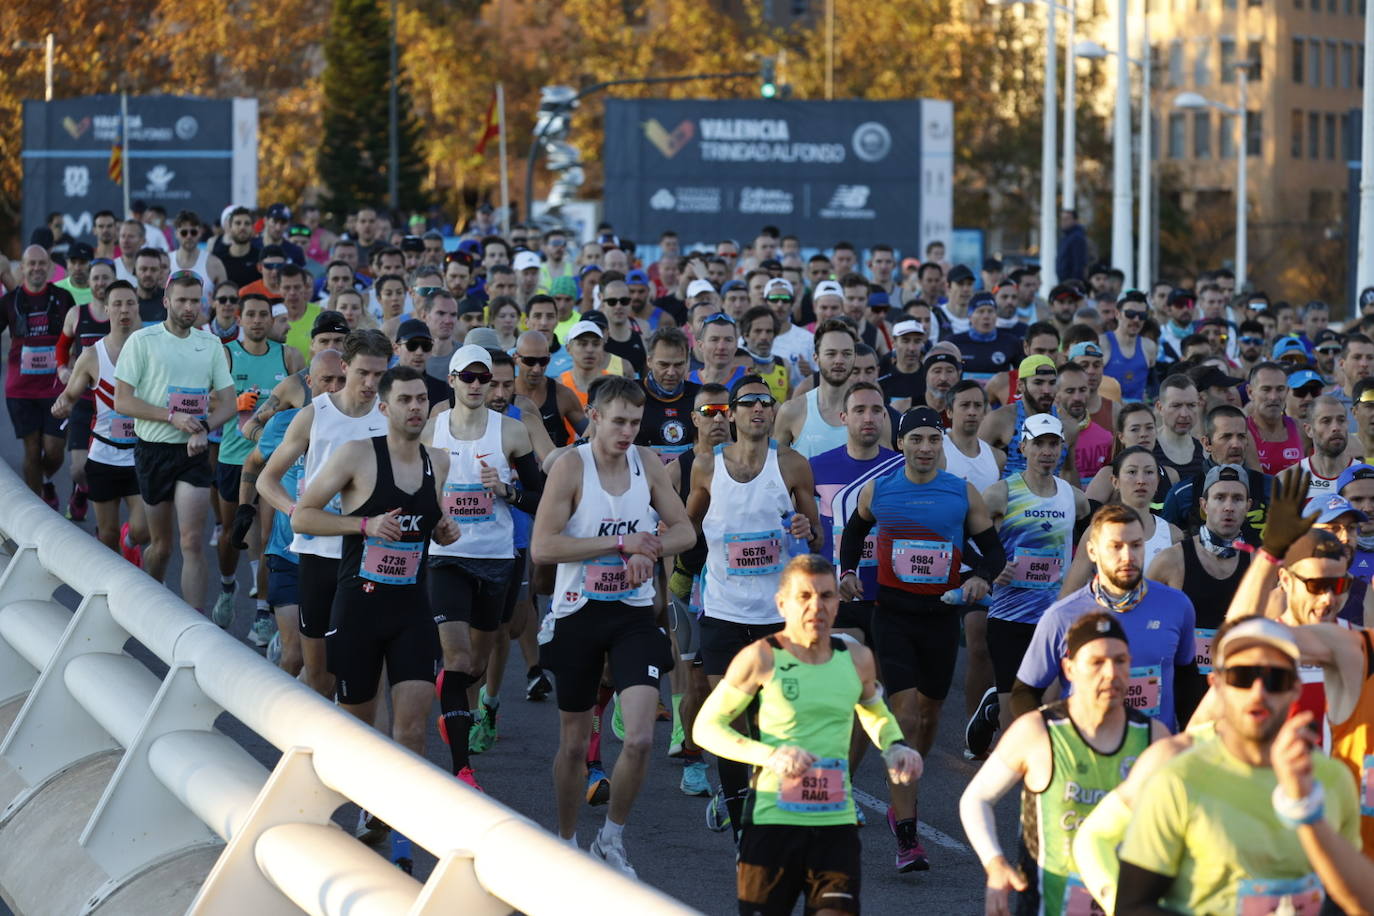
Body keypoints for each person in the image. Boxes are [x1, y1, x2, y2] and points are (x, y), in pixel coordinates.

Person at [290, 365, 459, 874]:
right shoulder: (357, 456)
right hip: (358, 606)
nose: (414, 408)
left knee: (410, 729)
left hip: (411, 608)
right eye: (404, 399)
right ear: (384, 408)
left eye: (421, 400)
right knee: (361, 731)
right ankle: (361, 807)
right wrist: (363, 524)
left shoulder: (440, 461)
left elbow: (433, 522)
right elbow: (302, 515)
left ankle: (403, 844)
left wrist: (444, 529)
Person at [694, 554, 922, 916]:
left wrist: (893, 746)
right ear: (782, 602)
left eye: (827, 596)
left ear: (838, 601)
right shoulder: (760, 658)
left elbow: (874, 708)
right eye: (805, 596)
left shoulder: (857, 657)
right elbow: (706, 728)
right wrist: (769, 756)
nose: (817, 606)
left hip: (835, 824)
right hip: (771, 825)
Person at [531, 376, 695, 873]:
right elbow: (543, 547)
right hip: (578, 611)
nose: (627, 431)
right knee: (575, 743)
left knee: (641, 737)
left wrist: (652, 548)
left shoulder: (647, 463)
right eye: (618, 421)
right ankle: (565, 840)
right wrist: (621, 545)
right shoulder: (569, 468)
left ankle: (611, 839)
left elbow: (685, 529)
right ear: (594, 417)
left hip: (632, 614)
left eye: (635, 422)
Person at [840, 406, 1005, 872]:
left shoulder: (960, 493)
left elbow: (992, 552)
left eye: (933, 440)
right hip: (890, 615)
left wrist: (981, 580)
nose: (926, 449)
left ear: (942, 444)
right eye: (916, 440)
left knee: (929, 717)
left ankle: (901, 792)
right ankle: (908, 837)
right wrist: (850, 572)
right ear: (901, 445)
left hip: (940, 618)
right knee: (906, 714)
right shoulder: (881, 490)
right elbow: (854, 534)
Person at [1116, 616, 1361, 915]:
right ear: (1217, 685)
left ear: (1295, 688)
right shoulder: (1176, 779)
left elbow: (1351, 899)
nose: (1259, 692)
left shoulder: (1333, 778)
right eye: (1242, 677)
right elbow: (1132, 905)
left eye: (1275, 679)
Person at [960, 612, 1166, 916]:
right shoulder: (1038, 731)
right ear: (1069, 669)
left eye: (1121, 661)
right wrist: (995, 863)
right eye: (1097, 662)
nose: (1111, 673)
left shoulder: (1153, 738)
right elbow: (976, 799)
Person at [687, 374, 822, 838]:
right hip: (722, 610)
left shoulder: (792, 466)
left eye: (766, 403)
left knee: (770, 719)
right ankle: (738, 807)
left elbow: (818, 536)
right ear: (732, 413)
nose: (758, 410)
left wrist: (807, 529)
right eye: (749, 403)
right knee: (728, 714)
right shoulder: (705, 467)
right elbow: (688, 527)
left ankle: (764, 804)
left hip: (774, 614)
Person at [423, 343, 543, 790]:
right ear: (451, 380)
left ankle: (451, 700)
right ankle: (462, 769)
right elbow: (409, 484)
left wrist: (508, 492)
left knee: (475, 662)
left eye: (484, 378)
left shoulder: (511, 433)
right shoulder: (431, 431)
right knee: (455, 658)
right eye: (467, 377)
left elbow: (539, 495)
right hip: (447, 556)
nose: (476, 385)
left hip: (496, 559)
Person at [256, 330, 390, 696]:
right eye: (363, 373)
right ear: (346, 367)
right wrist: (297, 511)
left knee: (363, 671)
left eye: (380, 375)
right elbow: (266, 480)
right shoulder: (315, 416)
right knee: (317, 675)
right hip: (317, 555)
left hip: (368, 554)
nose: (370, 383)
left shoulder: (389, 416)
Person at [1011, 503, 1197, 731]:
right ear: (1092, 551)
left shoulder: (1177, 606)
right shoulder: (1062, 616)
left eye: (1136, 545)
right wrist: (1051, 743)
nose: (1128, 556)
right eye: (1116, 546)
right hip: (1088, 757)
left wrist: (1189, 741)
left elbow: (1187, 680)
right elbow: (1024, 692)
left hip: (1153, 757)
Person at [113, 270, 235, 608]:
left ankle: (196, 633)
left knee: (192, 541)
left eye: (195, 301)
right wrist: (171, 417)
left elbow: (229, 403)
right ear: (166, 301)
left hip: (192, 452)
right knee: (161, 545)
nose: (188, 307)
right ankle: (149, 608)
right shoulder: (142, 340)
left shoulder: (210, 344)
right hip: (153, 450)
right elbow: (122, 401)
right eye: (181, 300)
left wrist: (204, 427)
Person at [235, 349, 348, 676]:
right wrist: (245, 507)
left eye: (342, 380)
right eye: (327, 380)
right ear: (311, 382)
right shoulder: (285, 422)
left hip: (336, 557)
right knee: (296, 655)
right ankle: (279, 717)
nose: (335, 387)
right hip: (288, 554)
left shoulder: (361, 429)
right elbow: (255, 462)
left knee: (327, 662)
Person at [983, 414, 1092, 733]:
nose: (1046, 451)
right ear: (1023, 446)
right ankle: (996, 722)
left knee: (1047, 711)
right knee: (1012, 715)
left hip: (1054, 619)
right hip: (1008, 617)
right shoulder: (1000, 493)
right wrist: (994, 570)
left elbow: (1089, 548)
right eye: (1039, 444)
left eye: (1053, 444)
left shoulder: (1075, 498)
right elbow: (977, 545)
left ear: (1062, 448)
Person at [211, 292, 302, 631]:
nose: (258, 320)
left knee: (265, 536)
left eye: (264, 314)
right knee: (233, 533)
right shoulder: (227, 354)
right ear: (240, 318)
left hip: (273, 460)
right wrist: (234, 402)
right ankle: (226, 585)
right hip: (233, 457)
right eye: (251, 314)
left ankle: (263, 611)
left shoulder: (288, 356)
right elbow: (208, 405)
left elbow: (301, 404)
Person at [1146, 464, 1252, 723]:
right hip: (1183, 698)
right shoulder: (1172, 560)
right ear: (1204, 505)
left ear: (1248, 506)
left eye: (1237, 499)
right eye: (1219, 498)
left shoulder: (1258, 565)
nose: (1228, 507)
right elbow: (1142, 622)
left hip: (1236, 702)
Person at [49, 280, 147, 558]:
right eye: (117, 304)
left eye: (130, 303)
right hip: (103, 454)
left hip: (141, 455)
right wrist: (62, 404)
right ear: (107, 310)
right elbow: (69, 396)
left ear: (138, 308)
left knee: (143, 528)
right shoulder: (92, 355)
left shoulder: (151, 352)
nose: (124, 310)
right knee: (107, 535)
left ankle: (130, 543)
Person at [1, 245, 77, 502]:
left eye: (41, 264)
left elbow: (74, 339)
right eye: (30, 264)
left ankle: (44, 480)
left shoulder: (64, 297)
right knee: (32, 451)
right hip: (20, 390)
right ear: (21, 268)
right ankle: (37, 507)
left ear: (50, 268)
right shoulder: (10, 301)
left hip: (56, 388)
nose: (36, 268)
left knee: (54, 451)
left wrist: (74, 368)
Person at [1162, 404, 1273, 540]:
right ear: (1206, 443)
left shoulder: (1271, 487)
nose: (1236, 444)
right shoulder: (1182, 494)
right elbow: (1167, 543)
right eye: (1226, 437)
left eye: (1241, 437)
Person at [238, 310, 351, 442]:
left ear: (349, 344)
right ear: (312, 345)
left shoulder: (362, 380)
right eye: (324, 341)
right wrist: (282, 445)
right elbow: (249, 426)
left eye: (338, 341)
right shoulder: (295, 384)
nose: (331, 347)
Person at [775, 319, 866, 458]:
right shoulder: (791, 411)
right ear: (816, 358)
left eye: (846, 353)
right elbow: (774, 467)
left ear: (854, 357)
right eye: (831, 353)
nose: (839, 360)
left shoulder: (873, 412)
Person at [1084, 402, 1178, 509]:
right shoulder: (1108, 474)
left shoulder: (1171, 475)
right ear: (1121, 436)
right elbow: (1086, 517)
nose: (1143, 434)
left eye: (1149, 428)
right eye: (1135, 429)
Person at [635, 327, 699, 463]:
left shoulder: (700, 396)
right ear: (649, 361)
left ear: (688, 362)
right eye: (664, 365)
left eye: (679, 365)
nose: (671, 372)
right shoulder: (629, 394)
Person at [513, 329, 585, 448]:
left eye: (543, 361)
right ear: (516, 358)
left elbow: (591, 437)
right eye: (529, 361)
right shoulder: (504, 393)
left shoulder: (563, 395)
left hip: (555, 465)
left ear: (549, 359)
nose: (536, 369)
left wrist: (570, 452)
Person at [1299, 395, 1359, 508]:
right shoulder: (1290, 478)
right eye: (1326, 421)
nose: (1336, 427)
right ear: (1309, 430)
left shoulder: (1367, 476)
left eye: (1341, 420)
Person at [1247, 361, 1306, 475]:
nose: (1273, 397)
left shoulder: (1302, 430)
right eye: (1266, 389)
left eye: (1280, 389)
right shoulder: (1241, 432)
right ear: (1250, 392)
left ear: (1287, 391)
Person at [1102, 291, 1156, 401]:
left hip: (1137, 414)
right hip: (1109, 412)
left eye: (1142, 315)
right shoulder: (1102, 342)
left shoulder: (1149, 346)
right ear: (1117, 314)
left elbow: (1152, 386)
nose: (1136, 320)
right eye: (1130, 314)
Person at [1153, 375, 1206, 484]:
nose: (1184, 414)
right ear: (1160, 408)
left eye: (1191, 405)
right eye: (1176, 405)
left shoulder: (1206, 453)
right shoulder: (1147, 448)